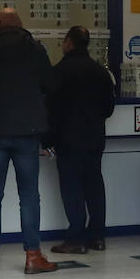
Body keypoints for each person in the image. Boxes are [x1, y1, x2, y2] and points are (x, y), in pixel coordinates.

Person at [0, 7, 58, 274]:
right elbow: (52, 86)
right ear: (21, 24)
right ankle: (33, 256)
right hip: (27, 134)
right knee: (28, 196)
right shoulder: (35, 50)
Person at [46, 26, 116, 254]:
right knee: (95, 185)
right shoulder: (101, 72)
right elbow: (108, 108)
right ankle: (97, 237)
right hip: (95, 139)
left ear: (68, 43)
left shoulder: (59, 72)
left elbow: (51, 110)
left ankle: (76, 238)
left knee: (72, 188)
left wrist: (47, 140)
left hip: (68, 140)